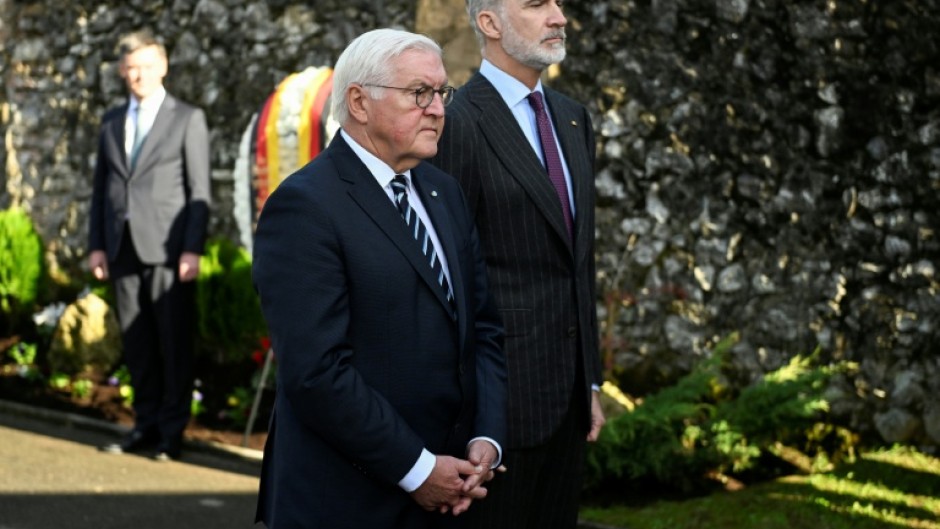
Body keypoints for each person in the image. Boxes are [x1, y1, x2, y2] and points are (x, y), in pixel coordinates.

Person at [252, 28, 507, 529]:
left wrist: (486, 439)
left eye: (441, 93)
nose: (438, 109)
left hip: (453, 490)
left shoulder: (444, 194)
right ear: (359, 103)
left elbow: (483, 330)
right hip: (345, 502)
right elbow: (317, 372)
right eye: (420, 93)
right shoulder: (304, 206)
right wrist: (417, 469)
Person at [428, 1, 606, 527]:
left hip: (568, 409)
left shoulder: (574, 117)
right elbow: (449, 278)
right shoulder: (456, 122)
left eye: (557, 3)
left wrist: (589, 382)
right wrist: (470, 418)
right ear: (489, 23)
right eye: (536, 4)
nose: (559, 16)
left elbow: (579, 263)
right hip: (496, 414)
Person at [89, 29, 211, 462]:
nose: (137, 75)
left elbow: (199, 189)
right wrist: (97, 246)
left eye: (144, 66)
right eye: (130, 68)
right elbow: (101, 189)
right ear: (123, 72)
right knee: (137, 345)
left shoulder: (187, 119)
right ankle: (144, 426)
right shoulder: (111, 121)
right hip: (121, 249)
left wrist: (192, 250)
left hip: (169, 251)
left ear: (162, 67)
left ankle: (171, 435)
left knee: (173, 345)